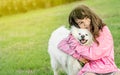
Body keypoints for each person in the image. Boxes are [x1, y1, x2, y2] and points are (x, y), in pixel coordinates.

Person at [58, 5, 120, 75]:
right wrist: (78, 56)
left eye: (87, 18)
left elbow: (93, 55)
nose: (86, 23)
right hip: (90, 69)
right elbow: (62, 44)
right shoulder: (80, 33)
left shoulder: (103, 30)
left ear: (91, 16)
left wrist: (76, 46)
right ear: (77, 25)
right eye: (81, 22)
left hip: (107, 67)